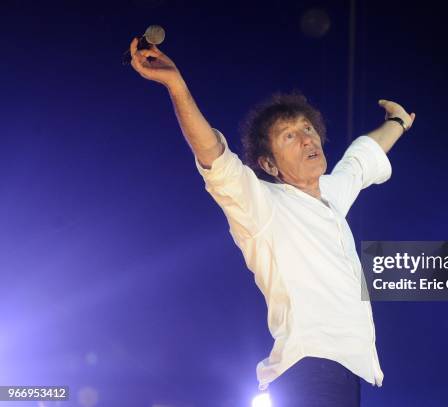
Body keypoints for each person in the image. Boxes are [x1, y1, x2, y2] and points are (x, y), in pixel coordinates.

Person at [129, 37, 415, 407]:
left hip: (347, 372)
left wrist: (397, 122)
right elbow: (214, 156)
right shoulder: (262, 205)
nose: (306, 138)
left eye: (308, 129)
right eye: (289, 136)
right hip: (310, 369)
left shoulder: (330, 193)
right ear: (269, 165)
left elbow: (360, 160)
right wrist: (177, 86)